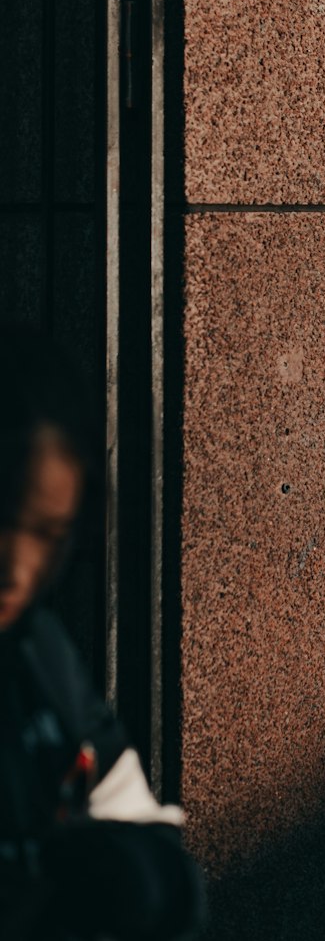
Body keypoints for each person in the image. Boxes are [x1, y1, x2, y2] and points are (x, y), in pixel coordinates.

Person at [0, 324, 205, 941]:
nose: (19, 569)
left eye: (50, 534)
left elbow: (128, 810)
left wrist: (137, 870)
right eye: (4, 519)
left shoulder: (38, 654)